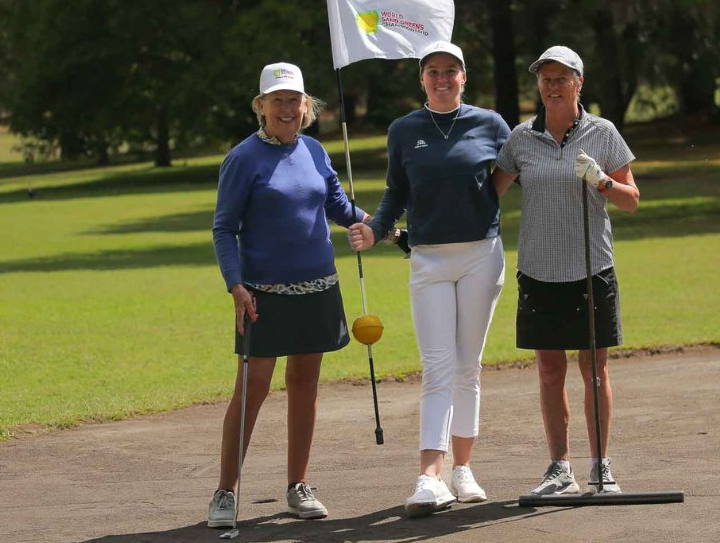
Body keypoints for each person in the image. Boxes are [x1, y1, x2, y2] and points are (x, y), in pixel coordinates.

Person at [348, 41, 510, 517]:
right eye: (433, 71)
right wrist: (375, 229)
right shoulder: (404, 130)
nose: (442, 79)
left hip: (482, 255)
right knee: (437, 367)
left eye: (451, 71)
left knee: (468, 366)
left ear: (464, 77)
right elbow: (395, 192)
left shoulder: (491, 124)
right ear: (422, 79)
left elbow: (511, 174)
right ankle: (429, 477)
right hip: (428, 260)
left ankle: (464, 470)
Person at [208, 62, 368, 526]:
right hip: (262, 293)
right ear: (261, 107)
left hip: (318, 286)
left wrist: (378, 226)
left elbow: (338, 205)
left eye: (293, 100)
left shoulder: (315, 151)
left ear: (306, 106)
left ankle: (298, 485)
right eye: (276, 100)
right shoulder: (242, 159)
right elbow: (224, 229)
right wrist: (235, 286)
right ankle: (225, 492)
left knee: (305, 385)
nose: (286, 108)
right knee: (252, 388)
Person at [492, 46, 640, 496]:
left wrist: (604, 181)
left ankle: (600, 466)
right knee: (548, 370)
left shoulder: (603, 132)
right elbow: (489, 195)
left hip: (592, 268)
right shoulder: (521, 138)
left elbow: (631, 199)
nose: (552, 86)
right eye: (546, 79)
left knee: (594, 369)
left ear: (580, 84)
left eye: (561, 78)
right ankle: (560, 468)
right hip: (538, 271)